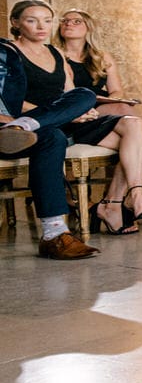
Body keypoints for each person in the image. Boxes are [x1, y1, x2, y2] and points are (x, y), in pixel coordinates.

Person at [11, 0, 142, 233]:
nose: (41, 26)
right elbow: (9, 100)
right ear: (16, 23)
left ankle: (117, 201)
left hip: (76, 118)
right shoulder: (13, 53)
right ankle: (123, 202)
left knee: (135, 128)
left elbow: (71, 94)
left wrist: (80, 110)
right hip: (49, 123)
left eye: (47, 20)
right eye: (32, 20)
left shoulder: (56, 54)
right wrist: (65, 113)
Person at [0, 34, 101, 259]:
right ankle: (54, 234)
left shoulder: (6, 53)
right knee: (53, 135)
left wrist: (16, 124)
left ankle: (54, 235)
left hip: (18, 130)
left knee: (82, 97)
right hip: (6, 127)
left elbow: (16, 99)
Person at [55, 9, 142, 177]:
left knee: (123, 107)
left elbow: (116, 90)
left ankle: (116, 197)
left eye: (76, 21)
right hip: (76, 107)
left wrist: (109, 101)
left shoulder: (101, 57)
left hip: (102, 105)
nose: (68, 23)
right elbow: (69, 91)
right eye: (64, 20)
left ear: (89, 28)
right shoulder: (56, 55)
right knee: (131, 121)